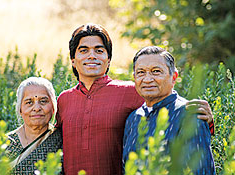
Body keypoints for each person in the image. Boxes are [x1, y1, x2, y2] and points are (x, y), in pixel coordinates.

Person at [55, 23, 214, 175]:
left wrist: (202, 117)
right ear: (73, 61)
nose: (91, 56)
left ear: (108, 59)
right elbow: (51, 138)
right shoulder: (64, 100)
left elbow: (165, 99)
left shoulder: (131, 91)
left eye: (99, 50)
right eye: (83, 50)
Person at [122, 46, 215, 174]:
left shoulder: (190, 114)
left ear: (174, 76)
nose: (147, 79)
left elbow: (202, 170)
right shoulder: (133, 118)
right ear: (134, 78)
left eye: (156, 71)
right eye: (141, 72)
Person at [0, 77, 62, 174]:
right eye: (29, 102)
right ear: (20, 109)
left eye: (43, 101)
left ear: (53, 107)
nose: (36, 108)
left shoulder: (62, 141)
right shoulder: (4, 145)